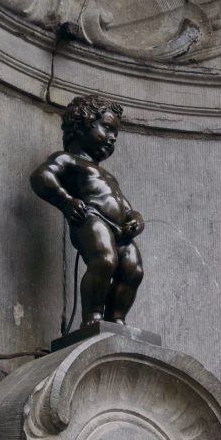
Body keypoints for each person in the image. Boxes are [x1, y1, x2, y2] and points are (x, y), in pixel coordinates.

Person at [30, 95, 144, 330]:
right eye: (108, 129)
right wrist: (66, 202)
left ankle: (117, 319)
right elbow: (41, 176)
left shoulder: (108, 176)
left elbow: (127, 207)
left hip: (121, 231)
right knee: (104, 260)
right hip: (90, 218)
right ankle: (93, 316)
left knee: (133, 270)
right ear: (82, 124)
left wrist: (137, 221)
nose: (112, 139)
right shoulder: (68, 160)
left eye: (115, 135)